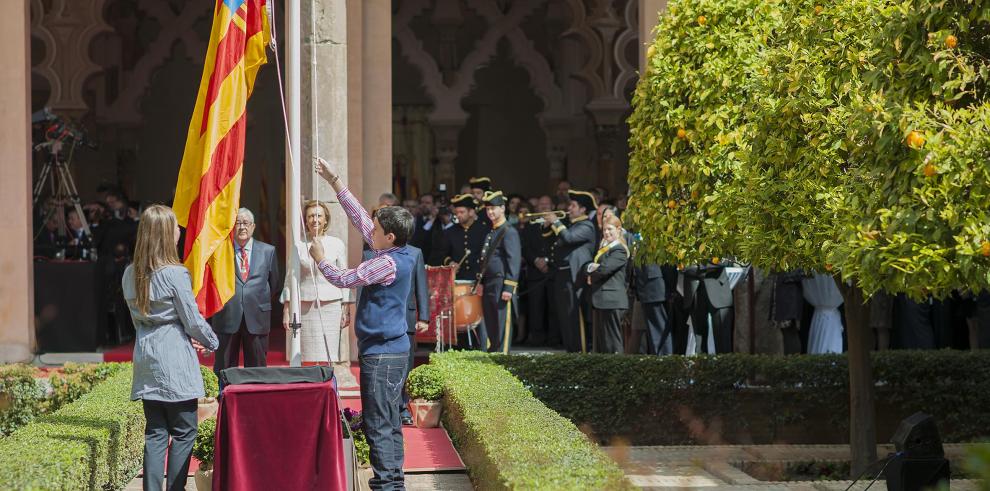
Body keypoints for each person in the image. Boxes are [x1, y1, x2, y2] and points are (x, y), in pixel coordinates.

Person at [310, 158, 422, 490]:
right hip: (390, 351)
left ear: (389, 236)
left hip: (384, 355)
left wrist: (320, 259)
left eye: (375, 230)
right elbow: (360, 216)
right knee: (386, 421)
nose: (368, 231)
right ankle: (392, 483)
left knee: (379, 423)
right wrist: (335, 181)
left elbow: (345, 279)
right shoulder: (390, 247)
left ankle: (387, 484)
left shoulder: (386, 263)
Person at [122, 205, 219, 491]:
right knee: (184, 430)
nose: (179, 230)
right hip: (173, 358)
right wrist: (212, 341)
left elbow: (136, 320)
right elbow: (192, 319)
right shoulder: (175, 274)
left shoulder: (130, 273)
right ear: (166, 234)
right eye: (175, 226)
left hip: (146, 355)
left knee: (155, 432)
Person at [280, 200, 357, 387]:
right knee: (307, 354)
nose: (315, 220)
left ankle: (328, 389)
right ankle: (309, 389)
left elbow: (344, 275)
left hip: (331, 304)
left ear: (326, 219)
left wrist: (346, 308)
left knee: (329, 354)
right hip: (306, 306)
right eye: (310, 216)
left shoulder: (336, 244)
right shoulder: (299, 245)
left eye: (318, 215)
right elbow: (291, 278)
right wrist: (287, 308)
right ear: (305, 221)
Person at [210, 208, 281, 384]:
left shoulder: (268, 251)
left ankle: (256, 403)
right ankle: (224, 402)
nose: (242, 227)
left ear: (253, 226)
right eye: (238, 223)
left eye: (246, 223)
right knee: (224, 368)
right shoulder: (220, 251)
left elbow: (274, 283)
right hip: (227, 316)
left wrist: (252, 297)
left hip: (257, 315)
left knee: (256, 367)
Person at [543, 189, 597, 353]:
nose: (569, 209)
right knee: (564, 316)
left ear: (582, 209)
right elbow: (551, 242)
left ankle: (579, 350)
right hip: (562, 274)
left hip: (575, 277)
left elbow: (569, 238)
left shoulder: (586, 225)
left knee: (574, 316)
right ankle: (570, 350)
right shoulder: (569, 225)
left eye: (573, 206)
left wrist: (556, 222)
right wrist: (547, 226)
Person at [478, 191, 522, 354]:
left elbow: (514, 260)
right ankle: (493, 354)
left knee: (502, 323)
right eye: (488, 209)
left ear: (503, 208)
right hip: (490, 282)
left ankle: (502, 357)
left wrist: (509, 287)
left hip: (501, 283)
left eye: (493, 209)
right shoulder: (492, 231)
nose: (490, 212)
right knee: (491, 322)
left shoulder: (508, 231)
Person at [586, 214, 629, 354]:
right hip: (603, 300)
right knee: (604, 343)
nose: (606, 232)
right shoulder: (606, 248)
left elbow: (604, 269)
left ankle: (618, 373)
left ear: (618, 229)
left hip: (612, 301)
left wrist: (592, 270)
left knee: (613, 343)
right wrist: (591, 268)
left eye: (610, 229)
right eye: (604, 229)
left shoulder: (619, 249)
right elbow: (589, 266)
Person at [521, 195, 558, 347]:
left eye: (547, 204)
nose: (544, 207)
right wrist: (536, 260)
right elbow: (525, 247)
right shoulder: (530, 226)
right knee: (535, 308)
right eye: (541, 204)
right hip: (535, 272)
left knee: (553, 307)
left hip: (552, 272)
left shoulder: (558, 225)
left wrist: (547, 260)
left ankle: (554, 339)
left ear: (553, 206)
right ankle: (537, 339)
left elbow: (560, 244)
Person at [401, 244, 429, 425]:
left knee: (406, 364)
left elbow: (421, 286)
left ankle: (403, 407)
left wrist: (424, 317)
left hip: (407, 316)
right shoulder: (372, 252)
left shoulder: (415, 252)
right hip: (382, 319)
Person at [429, 194, 488, 281]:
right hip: (458, 279)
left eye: (462, 212)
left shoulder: (483, 230)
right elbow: (440, 254)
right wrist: (450, 262)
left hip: (479, 279)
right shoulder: (450, 232)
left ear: (471, 212)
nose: (458, 215)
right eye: (456, 212)